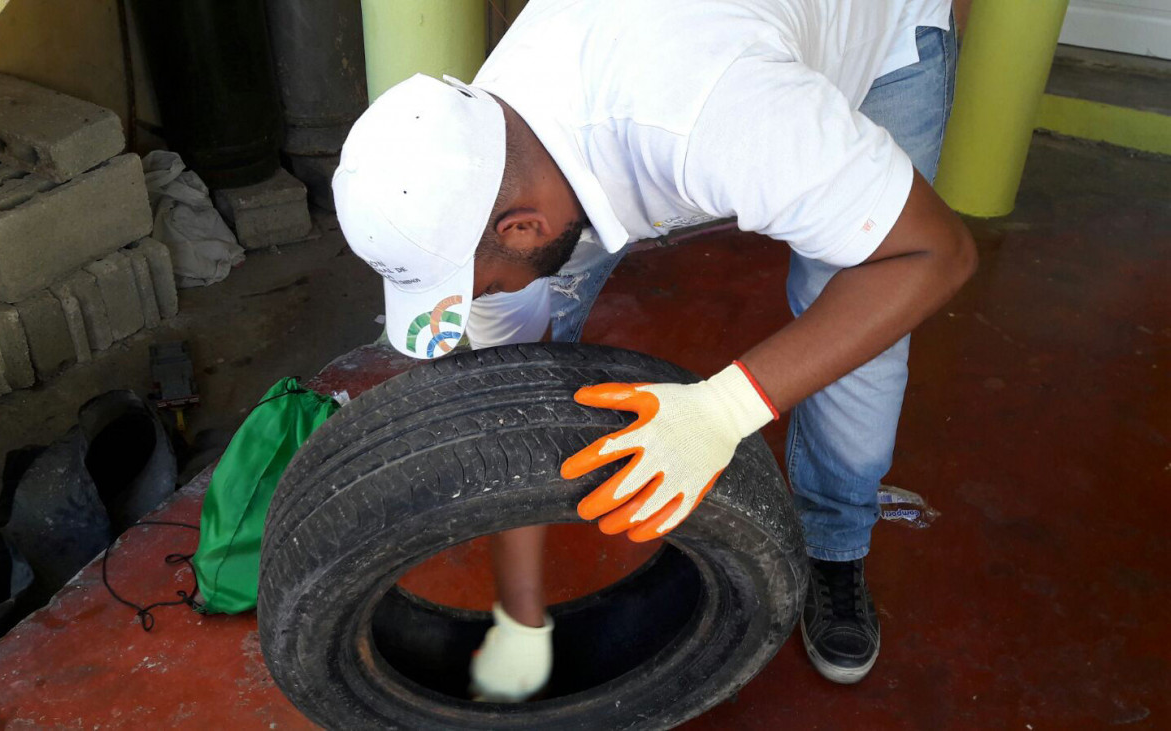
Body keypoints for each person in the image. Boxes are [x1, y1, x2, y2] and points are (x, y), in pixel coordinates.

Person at [333, 0, 973, 702]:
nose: (482, 297)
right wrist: (521, 616)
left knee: (861, 312)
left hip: (876, 40)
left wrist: (722, 409)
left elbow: (935, 254)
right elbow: (507, 399)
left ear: (521, 226)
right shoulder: (487, 149)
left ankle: (835, 547)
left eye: (482, 282)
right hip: (704, 70)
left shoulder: (719, 117)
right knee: (522, 331)